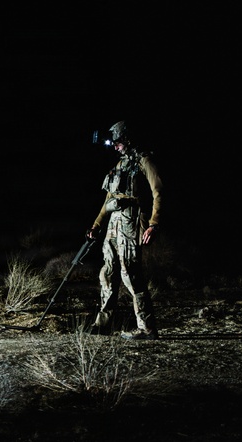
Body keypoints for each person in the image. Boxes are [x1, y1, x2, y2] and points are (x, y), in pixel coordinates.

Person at [85, 121, 163, 340]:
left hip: (130, 223)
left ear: (127, 139)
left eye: (117, 142)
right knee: (107, 273)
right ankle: (103, 324)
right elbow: (109, 199)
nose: (115, 146)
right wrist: (96, 225)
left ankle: (146, 328)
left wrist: (153, 223)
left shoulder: (144, 161)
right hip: (113, 225)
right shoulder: (119, 166)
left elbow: (158, 191)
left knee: (131, 274)